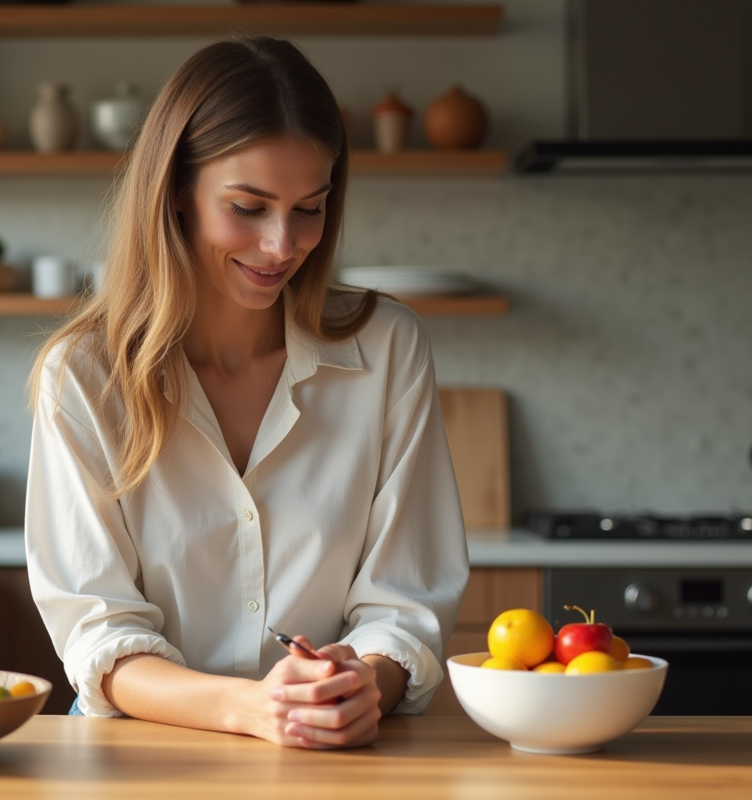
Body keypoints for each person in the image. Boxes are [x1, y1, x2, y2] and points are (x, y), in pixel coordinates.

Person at [25, 36, 469, 749]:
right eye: (248, 206)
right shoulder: (83, 374)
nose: (281, 245)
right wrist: (250, 708)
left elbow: (405, 601)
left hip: (333, 754)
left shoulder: (389, 347)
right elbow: (97, 629)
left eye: (309, 209)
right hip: (139, 754)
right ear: (176, 191)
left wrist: (364, 683)